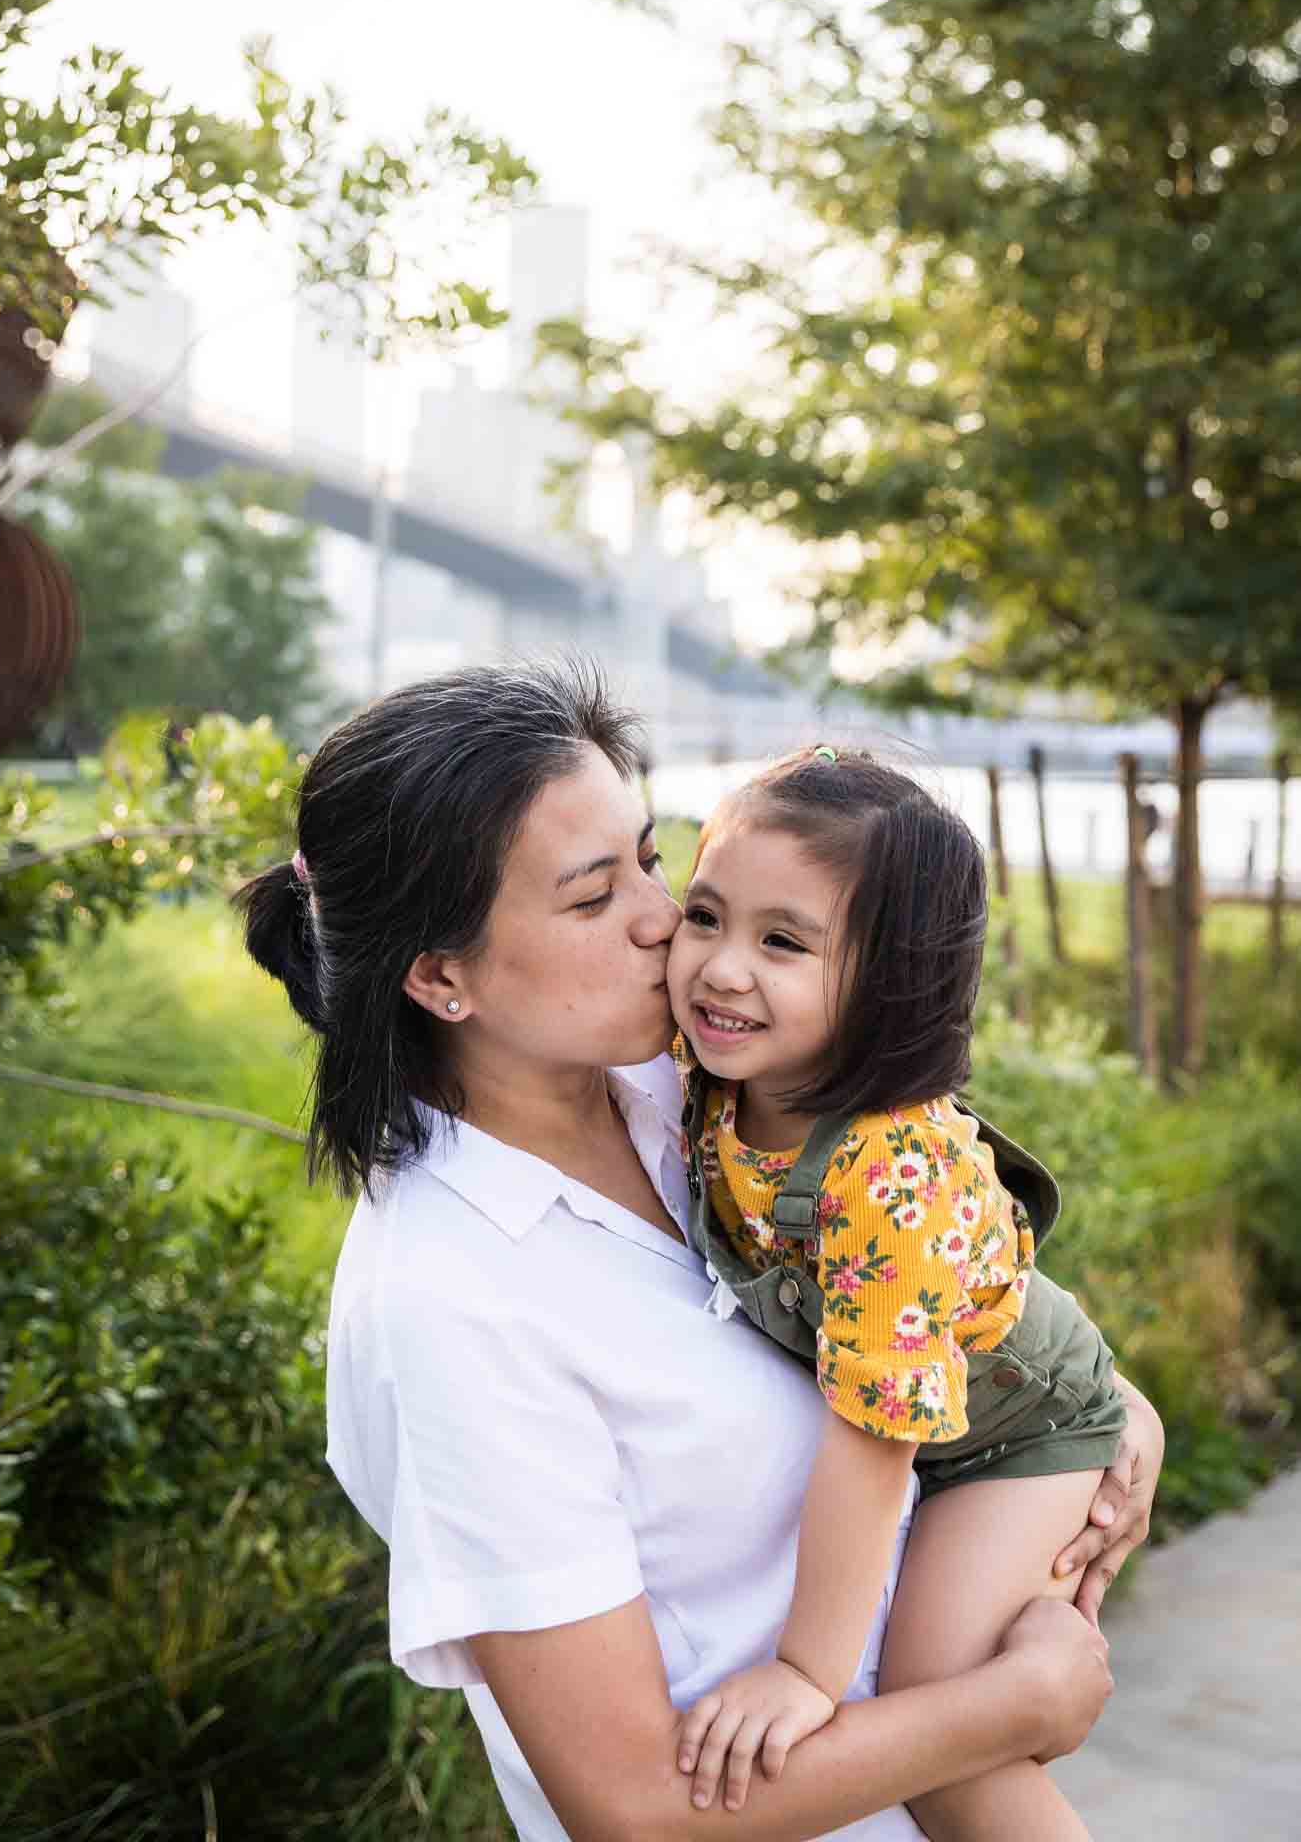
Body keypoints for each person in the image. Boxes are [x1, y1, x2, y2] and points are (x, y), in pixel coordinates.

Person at [235, 659, 1162, 1842]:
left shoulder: (683, 1080)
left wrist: (1113, 1403)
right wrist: (1012, 1702)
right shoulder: (448, 1307)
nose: (663, 920)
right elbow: (632, 1808)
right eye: (589, 897)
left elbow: (923, 1262)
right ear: (438, 974)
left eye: (651, 858)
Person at [668, 746, 1135, 1840]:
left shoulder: (888, 1171)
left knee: (946, 1735)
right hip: (938, 1406)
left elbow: (872, 1440)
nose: (722, 968)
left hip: (1017, 1433)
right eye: (703, 914)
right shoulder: (708, 1074)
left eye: (782, 941)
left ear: (890, 980)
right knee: (937, 1724)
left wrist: (804, 1671)